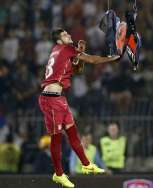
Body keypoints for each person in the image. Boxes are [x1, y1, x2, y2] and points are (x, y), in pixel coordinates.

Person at [38, 28, 120, 188]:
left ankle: (86, 164)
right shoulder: (66, 48)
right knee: (56, 137)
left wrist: (79, 54)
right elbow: (94, 61)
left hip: (59, 98)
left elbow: (78, 70)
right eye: (64, 35)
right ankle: (59, 174)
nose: (69, 35)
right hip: (50, 99)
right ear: (58, 40)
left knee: (72, 131)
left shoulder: (58, 50)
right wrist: (111, 58)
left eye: (68, 33)